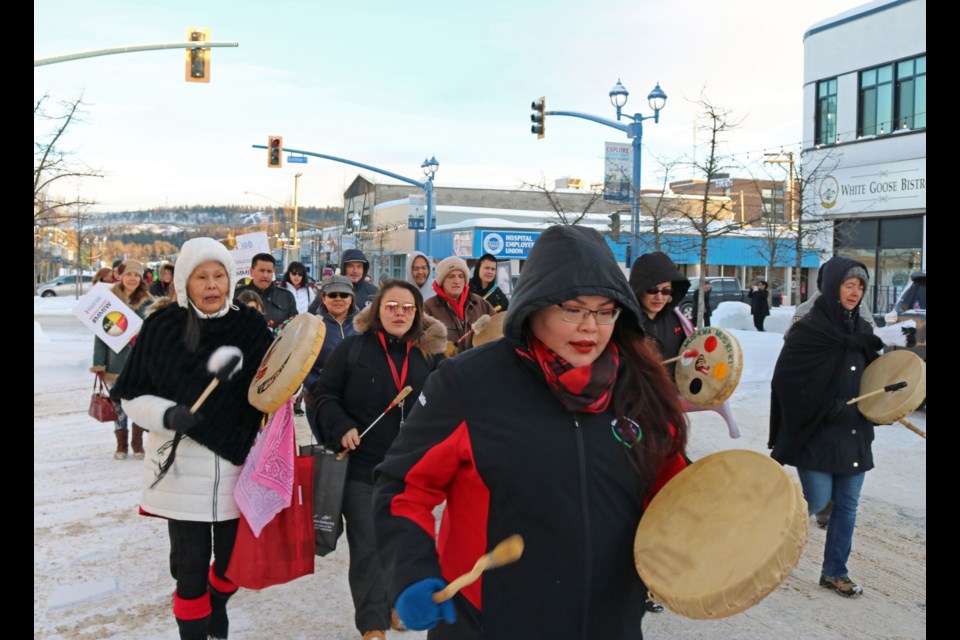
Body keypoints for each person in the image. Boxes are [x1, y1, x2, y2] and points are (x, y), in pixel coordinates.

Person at [372, 225, 690, 639]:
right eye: (572, 309)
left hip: (610, 621)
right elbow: (404, 487)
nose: (590, 327)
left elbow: (672, 489)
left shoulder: (637, 386)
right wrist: (411, 570)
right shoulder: (470, 383)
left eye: (605, 310)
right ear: (534, 306)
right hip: (492, 622)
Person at [112, 237, 273, 640]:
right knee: (189, 570)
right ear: (185, 280)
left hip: (239, 465)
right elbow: (131, 394)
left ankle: (216, 605)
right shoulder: (162, 326)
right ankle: (198, 630)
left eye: (219, 275)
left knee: (232, 566)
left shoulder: (249, 326)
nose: (212, 284)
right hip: (181, 470)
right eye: (202, 276)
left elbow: (271, 386)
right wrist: (168, 414)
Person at [315, 279, 447, 640]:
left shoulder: (430, 356)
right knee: (370, 546)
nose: (399, 313)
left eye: (407, 307)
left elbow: (447, 406)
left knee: (403, 543)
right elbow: (324, 395)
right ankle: (372, 625)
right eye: (391, 307)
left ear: (418, 313)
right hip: (362, 468)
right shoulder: (353, 349)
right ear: (377, 310)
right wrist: (341, 426)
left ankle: (394, 602)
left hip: (411, 472)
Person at [768, 256, 883, 599]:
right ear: (833, 286)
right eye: (849, 284)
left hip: (854, 433)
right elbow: (787, 382)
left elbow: (875, 377)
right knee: (816, 502)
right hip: (816, 433)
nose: (855, 292)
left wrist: (884, 403)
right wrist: (829, 408)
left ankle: (835, 572)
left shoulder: (862, 331)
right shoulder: (809, 330)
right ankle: (763, 543)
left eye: (860, 286)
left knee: (847, 506)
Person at [90, 258, 155, 460]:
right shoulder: (109, 301)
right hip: (115, 362)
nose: (132, 278)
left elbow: (155, 333)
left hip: (140, 364)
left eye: (136, 275)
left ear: (141, 278)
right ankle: (121, 446)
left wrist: (141, 338)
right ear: (121, 276)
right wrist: (99, 363)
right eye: (129, 274)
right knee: (118, 406)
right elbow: (100, 335)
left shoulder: (149, 302)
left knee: (136, 405)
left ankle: (137, 444)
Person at [302, 275, 360, 448]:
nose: (338, 299)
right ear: (323, 298)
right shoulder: (312, 325)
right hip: (319, 402)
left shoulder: (363, 326)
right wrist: (316, 387)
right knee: (328, 452)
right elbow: (301, 363)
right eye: (333, 294)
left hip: (355, 402)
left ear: (351, 298)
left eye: (344, 295)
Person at [627, 252, 691, 376]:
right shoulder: (625, 324)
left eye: (666, 291)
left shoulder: (677, 320)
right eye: (652, 290)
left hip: (671, 392)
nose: (659, 297)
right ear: (639, 289)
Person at [423, 256, 496, 355]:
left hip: (477, 366)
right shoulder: (428, 308)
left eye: (461, 276)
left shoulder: (479, 303)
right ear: (442, 280)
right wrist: (440, 354)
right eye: (451, 276)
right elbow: (421, 346)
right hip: (446, 368)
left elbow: (497, 331)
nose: (457, 281)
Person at [234, 252, 298, 332]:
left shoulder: (286, 297)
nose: (265, 275)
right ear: (251, 271)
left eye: (269, 271)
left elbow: (294, 327)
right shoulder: (236, 295)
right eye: (261, 271)